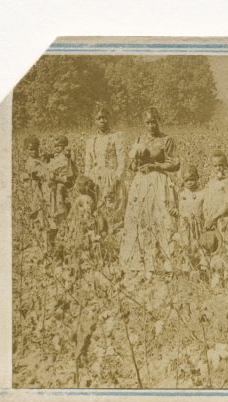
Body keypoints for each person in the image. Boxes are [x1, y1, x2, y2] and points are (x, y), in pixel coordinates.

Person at [119, 107, 180, 275]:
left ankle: (163, 262)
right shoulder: (140, 139)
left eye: (154, 121)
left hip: (159, 181)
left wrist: (155, 165)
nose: (151, 125)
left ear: (158, 120)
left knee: (160, 218)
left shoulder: (166, 139)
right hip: (141, 182)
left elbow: (174, 163)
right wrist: (135, 161)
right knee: (139, 219)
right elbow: (132, 166)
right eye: (147, 122)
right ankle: (139, 262)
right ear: (144, 123)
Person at [84, 105, 127, 220]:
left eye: (105, 117)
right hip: (95, 180)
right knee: (94, 212)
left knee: (111, 210)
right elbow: (88, 164)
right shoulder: (91, 141)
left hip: (111, 179)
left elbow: (122, 161)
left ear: (109, 119)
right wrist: (86, 182)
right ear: (95, 120)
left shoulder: (116, 137)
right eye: (99, 118)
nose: (102, 120)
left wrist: (116, 181)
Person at [42, 135, 77, 252]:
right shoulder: (54, 157)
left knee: (60, 205)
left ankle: (62, 229)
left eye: (59, 146)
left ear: (63, 147)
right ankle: (55, 227)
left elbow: (66, 175)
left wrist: (55, 177)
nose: (56, 148)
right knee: (52, 205)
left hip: (60, 185)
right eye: (55, 146)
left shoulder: (64, 158)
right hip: (52, 186)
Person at [203, 150, 228, 243]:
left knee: (224, 242)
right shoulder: (210, 183)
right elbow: (206, 201)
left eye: (221, 165)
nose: (218, 168)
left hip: (222, 219)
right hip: (210, 220)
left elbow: (227, 204)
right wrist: (207, 217)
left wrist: (214, 217)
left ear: (226, 165)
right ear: (211, 167)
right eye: (215, 166)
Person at [177, 165, 205, 249]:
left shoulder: (202, 193)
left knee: (199, 244)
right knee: (186, 245)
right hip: (186, 224)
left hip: (198, 224)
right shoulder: (182, 194)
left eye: (192, 179)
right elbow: (180, 209)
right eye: (186, 180)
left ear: (197, 178)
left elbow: (205, 209)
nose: (189, 182)